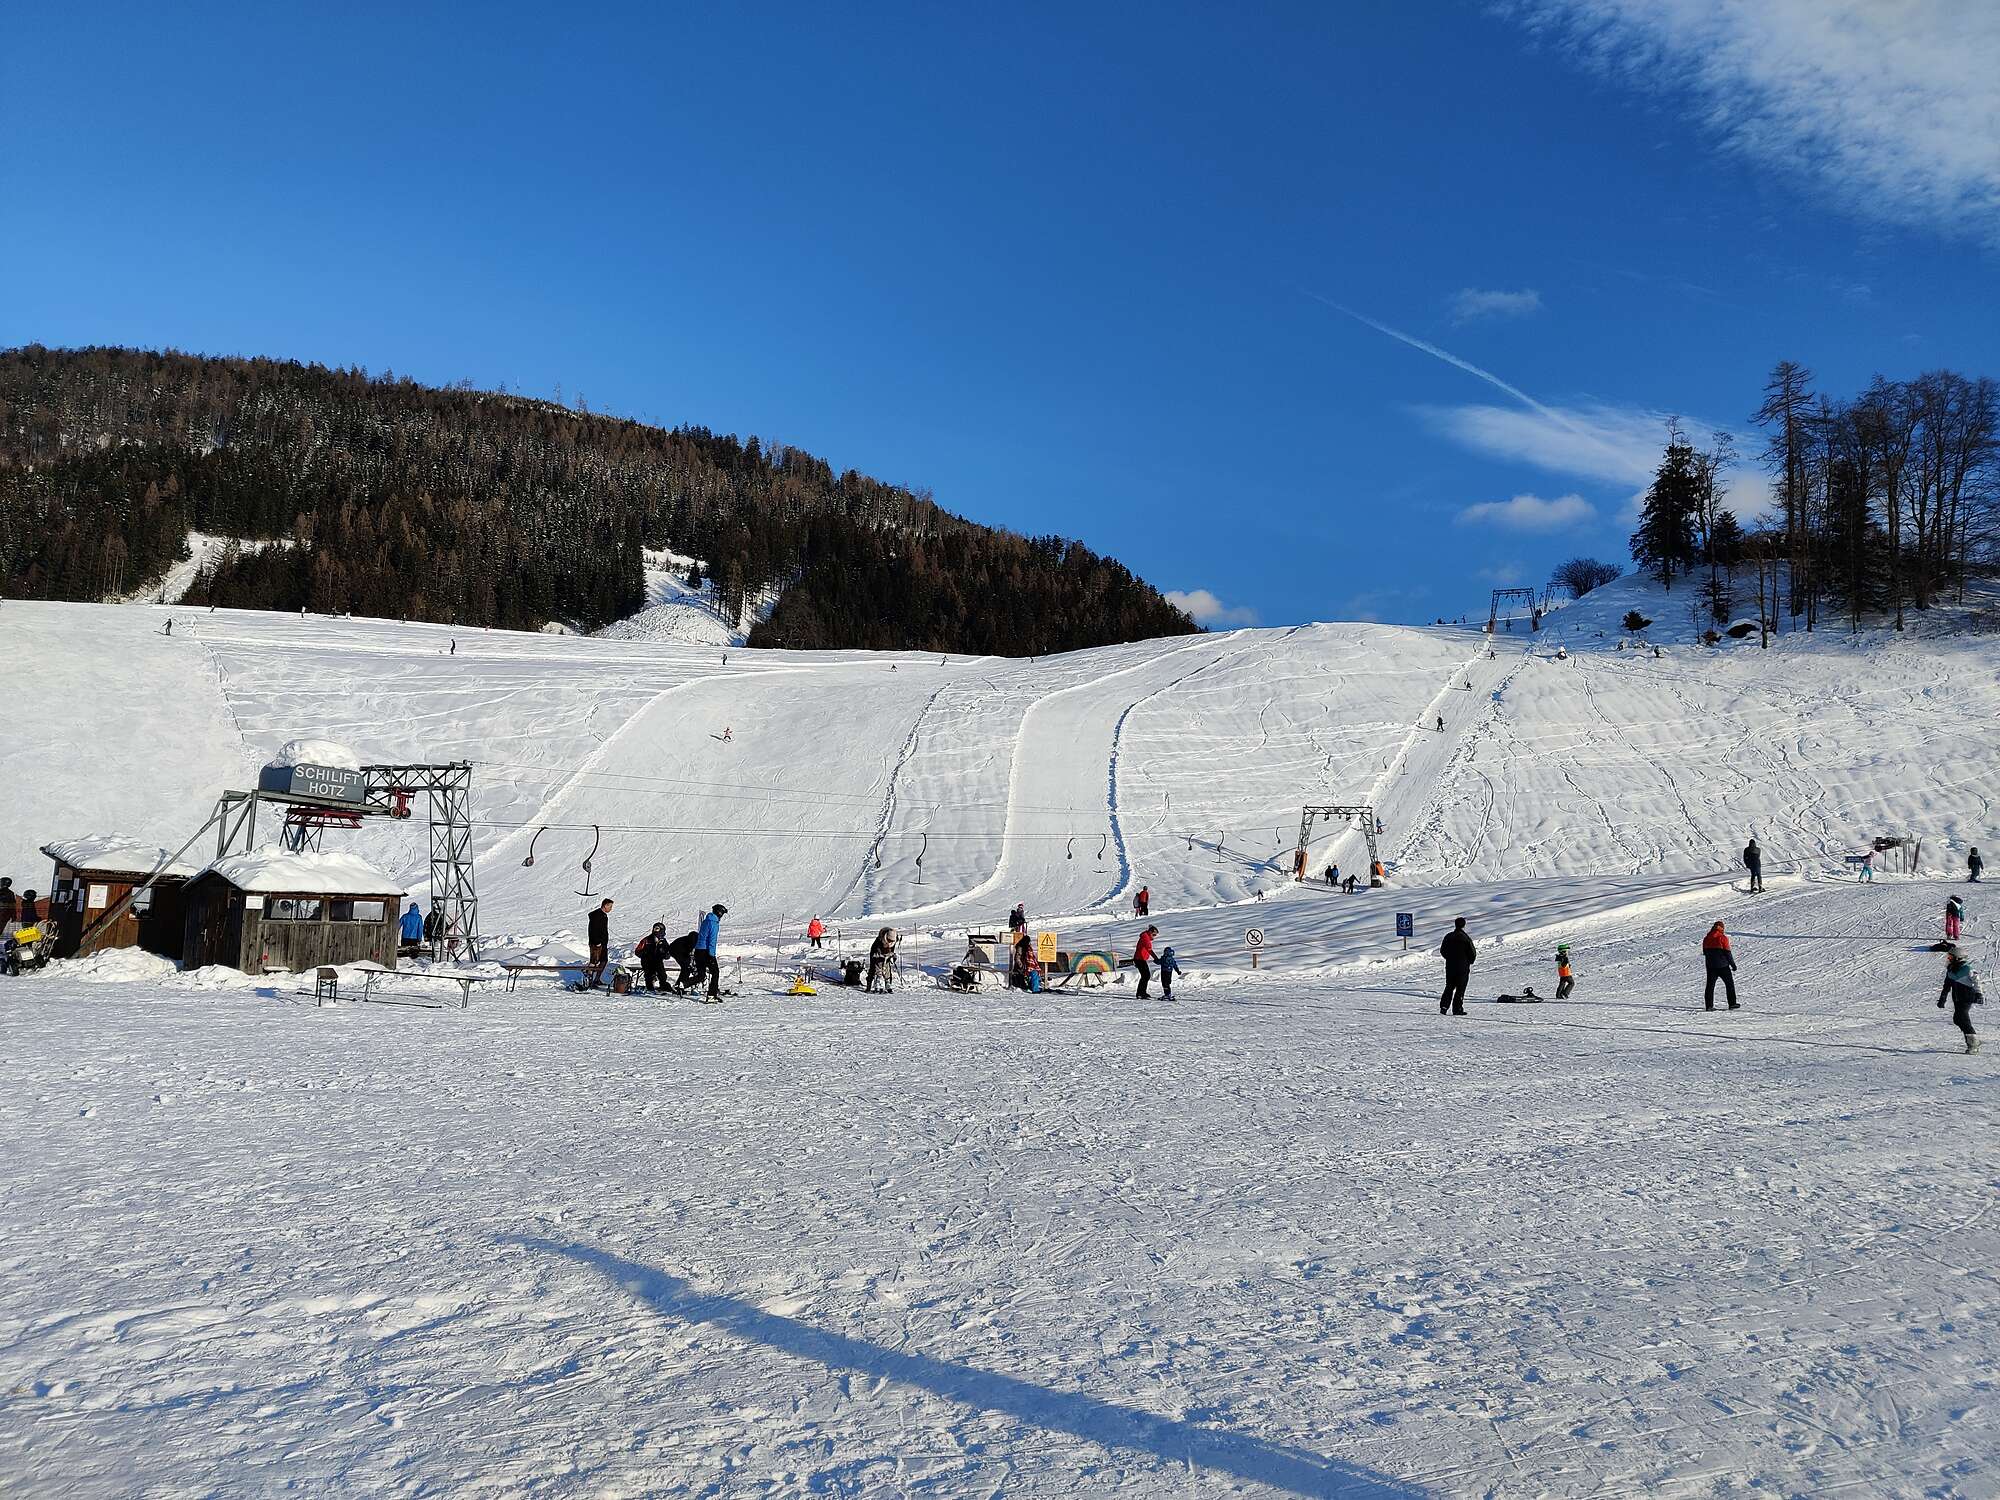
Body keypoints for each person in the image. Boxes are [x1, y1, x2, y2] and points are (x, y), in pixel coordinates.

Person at [1937, 944, 1982, 1054]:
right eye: (1948, 957)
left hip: (1967, 997)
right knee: (1957, 1019)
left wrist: (1979, 994)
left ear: (1958, 958)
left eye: (1950, 957)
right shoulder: (1951, 970)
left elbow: (1977, 981)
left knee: (1962, 1018)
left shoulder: (1967, 969)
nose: (1948, 959)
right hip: (1957, 998)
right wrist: (1943, 998)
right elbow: (1947, 986)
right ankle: (1972, 1040)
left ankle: (1973, 1044)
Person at [1439, 918, 1475, 1016]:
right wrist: (1469, 961)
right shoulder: (1466, 938)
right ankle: (1457, 1008)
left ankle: (1444, 1007)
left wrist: (1449, 958)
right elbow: (1472, 953)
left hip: (1450, 966)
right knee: (1460, 988)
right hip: (1462, 967)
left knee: (1449, 986)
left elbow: (1442, 950)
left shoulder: (1448, 936)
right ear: (1464, 925)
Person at [1702, 921, 1739, 1011]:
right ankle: (1732, 1004)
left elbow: (1705, 952)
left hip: (1710, 966)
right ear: (1721, 928)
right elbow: (1727, 953)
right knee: (1729, 984)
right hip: (1723, 966)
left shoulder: (1706, 938)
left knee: (1710, 986)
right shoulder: (1723, 938)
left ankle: (1709, 1006)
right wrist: (1733, 965)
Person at [693, 903, 726, 999]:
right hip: (706, 951)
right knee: (715, 972)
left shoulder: (706, 921)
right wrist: (712, 955)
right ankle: (712, 995)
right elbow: (712, 940)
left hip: (698, 950)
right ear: (719, 913)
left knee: (701, 975)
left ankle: (683, 983)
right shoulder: (714, 923)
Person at [584, 898, 614, 987]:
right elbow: (593, 930)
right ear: (605, 906)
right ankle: (588, 979)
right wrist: (597, 941)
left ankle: (597, 979)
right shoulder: (597, 915)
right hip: (596, 943)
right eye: (610, 906)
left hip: (603, 943)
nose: (611, 909)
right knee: (594, 961)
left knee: (604, 960)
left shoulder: (604, 916)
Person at [634, 922, 670, 991]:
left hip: (658, 961)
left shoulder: (663, 941)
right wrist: (646, 954)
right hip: (647, 961)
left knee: (662, 974)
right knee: (649, 974)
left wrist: (665, 954)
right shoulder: (646, 940)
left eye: (657, 929)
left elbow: (668, 953)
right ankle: (650, 988)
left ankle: (663, 987)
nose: (655, 931)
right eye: (655, 929)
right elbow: (637, 951)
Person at [866, 927, 898, 992]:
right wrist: (878, 955)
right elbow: (876, 951)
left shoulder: (894, 939)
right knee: (874, 967)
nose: (890, 942)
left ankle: (888, 983)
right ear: (886, 937)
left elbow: (892, 950)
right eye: (889, 940)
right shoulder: (879, 940)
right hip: (876, 952)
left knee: (887, 967)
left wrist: (892, 956)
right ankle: (870, 985)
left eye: (892, 941)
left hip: (887, 954)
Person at [1132, 924, 1159, 998]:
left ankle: (1141, 992)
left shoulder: (1145, 937)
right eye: (1154, 935)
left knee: (1145, 976)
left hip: (1141, 959)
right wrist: (1156, 958)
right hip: (1139, 959)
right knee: (1146, 976)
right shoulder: (1145, 938)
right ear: (1150, 932)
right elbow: (1149, 950)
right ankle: (1140, 993)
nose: (1154, 937)